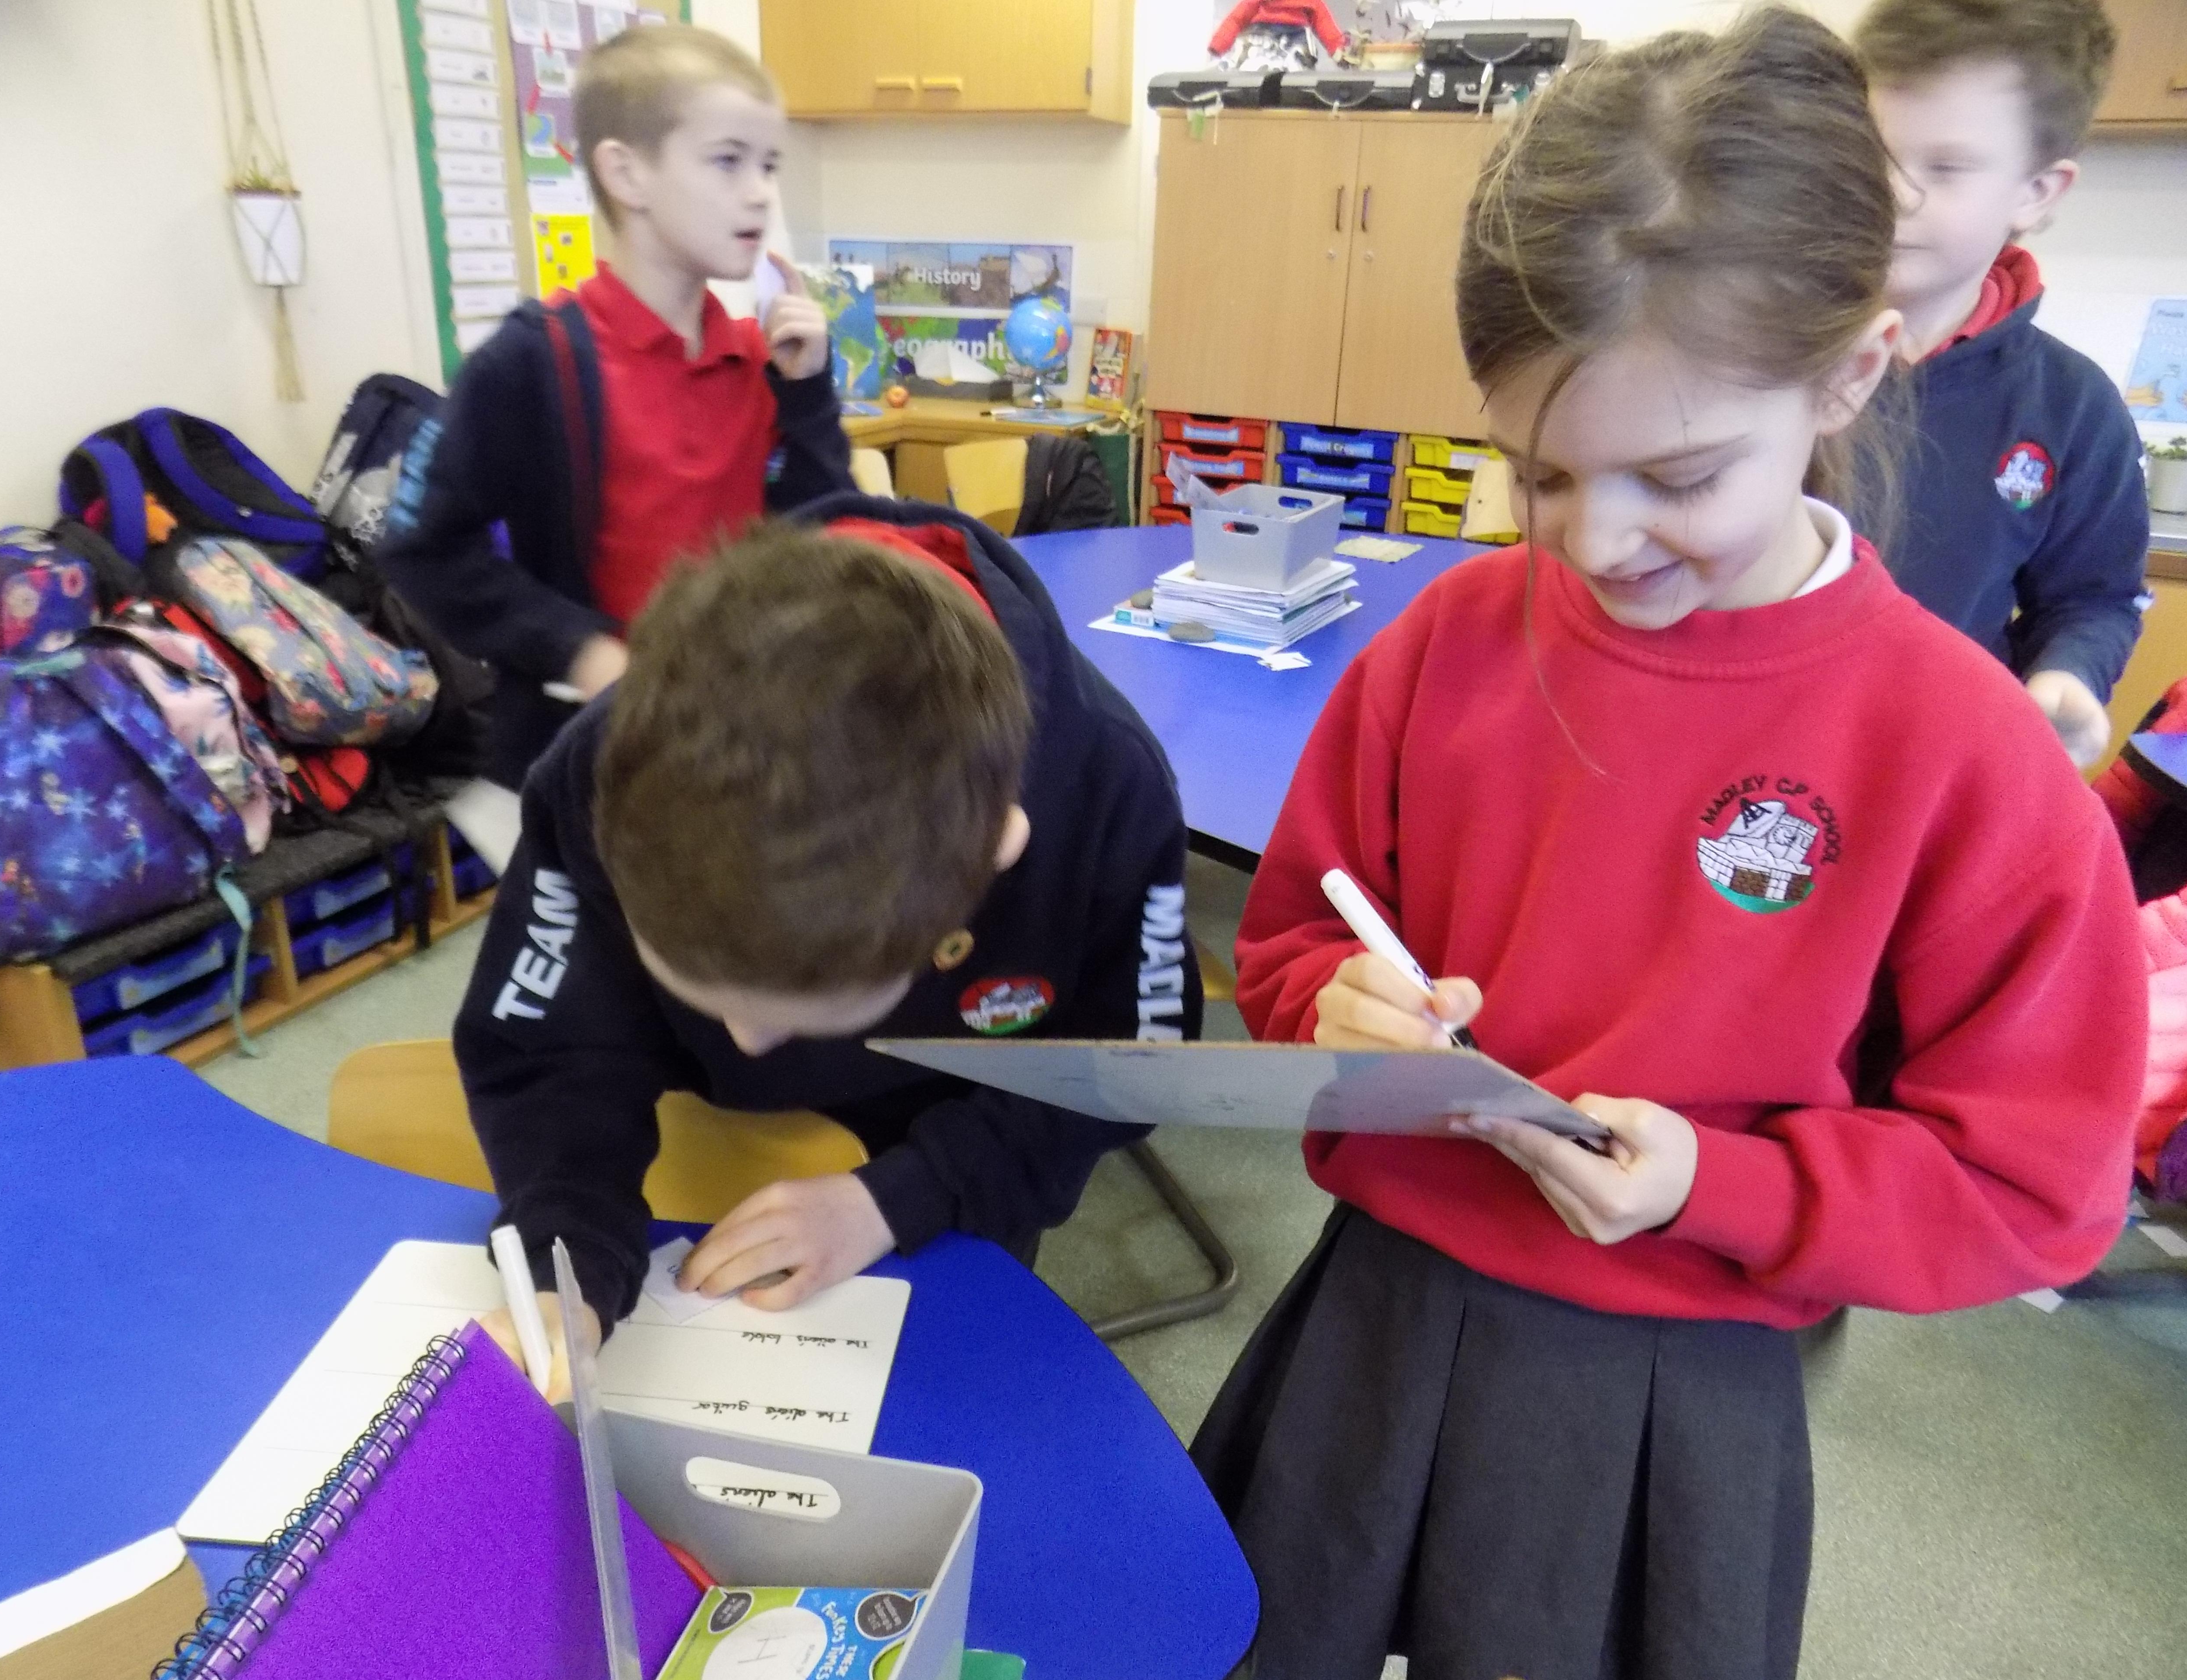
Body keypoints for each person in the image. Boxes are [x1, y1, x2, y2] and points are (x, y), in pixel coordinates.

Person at [1192, 14, 2143, 1678]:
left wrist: (1725, 1183)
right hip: (1378, 1308)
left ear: (1849, 374)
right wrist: (1333, 1005)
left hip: (1670, 1375)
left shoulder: (1959, 748)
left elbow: (2033, 1185)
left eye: (1679, 474)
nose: (1597, 539)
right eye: (1539, 474)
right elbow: (1288, 944)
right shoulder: (1442, 644)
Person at [465, 499, 1200, 1386]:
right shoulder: (605, 767)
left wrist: (904, 1195)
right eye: (699, 990)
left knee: (940, 1412)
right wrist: (568, 1264)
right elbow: (550, 1052)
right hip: (677, 1186)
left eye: (798, 1011)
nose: (744, 1044)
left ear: (993, 858)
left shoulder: (1109, 791)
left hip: (952, 1171)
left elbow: (1125, 1064)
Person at [380, 24, 850, 791]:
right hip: (597, 763)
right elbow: (423, 549)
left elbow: (823, 539)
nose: (760, 192)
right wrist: (581, 650)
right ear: (627, 174)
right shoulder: (534, 360)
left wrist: (808, 395)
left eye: (770, 165)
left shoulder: (762, 359)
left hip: (741, 749)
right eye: (728, 161)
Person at [1856, 0, 2146, 768]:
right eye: (1869, 153)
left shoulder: (2074, 408)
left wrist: (2067, 675)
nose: (1893, 194)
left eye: (1946, 167)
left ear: (2038, 192)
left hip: (1940, 766)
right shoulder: (1763, 356)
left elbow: (2093, 598)